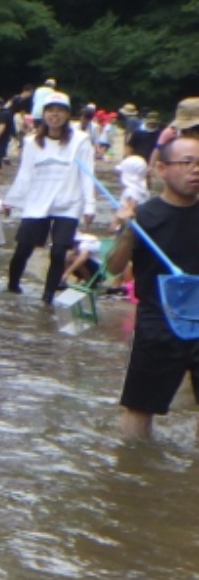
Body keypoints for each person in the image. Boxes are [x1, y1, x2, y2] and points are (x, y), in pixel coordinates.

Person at [105, 131, 199, 439]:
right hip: (157, 323)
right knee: (139, 408)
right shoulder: (144, 217)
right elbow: (113, 267)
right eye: (187, 162)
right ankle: (132, 473)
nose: (195, 169)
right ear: (162, 169)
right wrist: (127, 230)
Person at [2, 90, 97, 303]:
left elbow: (87, 175)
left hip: (68, 203)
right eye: (50, 111)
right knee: (23, 248)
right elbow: (25, 174)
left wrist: (89, 206)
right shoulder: (31, 141)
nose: (55, 116)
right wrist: (10, 200)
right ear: (43, 114)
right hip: (37, 202)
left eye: (60, 111)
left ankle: (47, 298)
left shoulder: (81, 140)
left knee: (58, 252)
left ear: (67, 115)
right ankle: (12, 287)